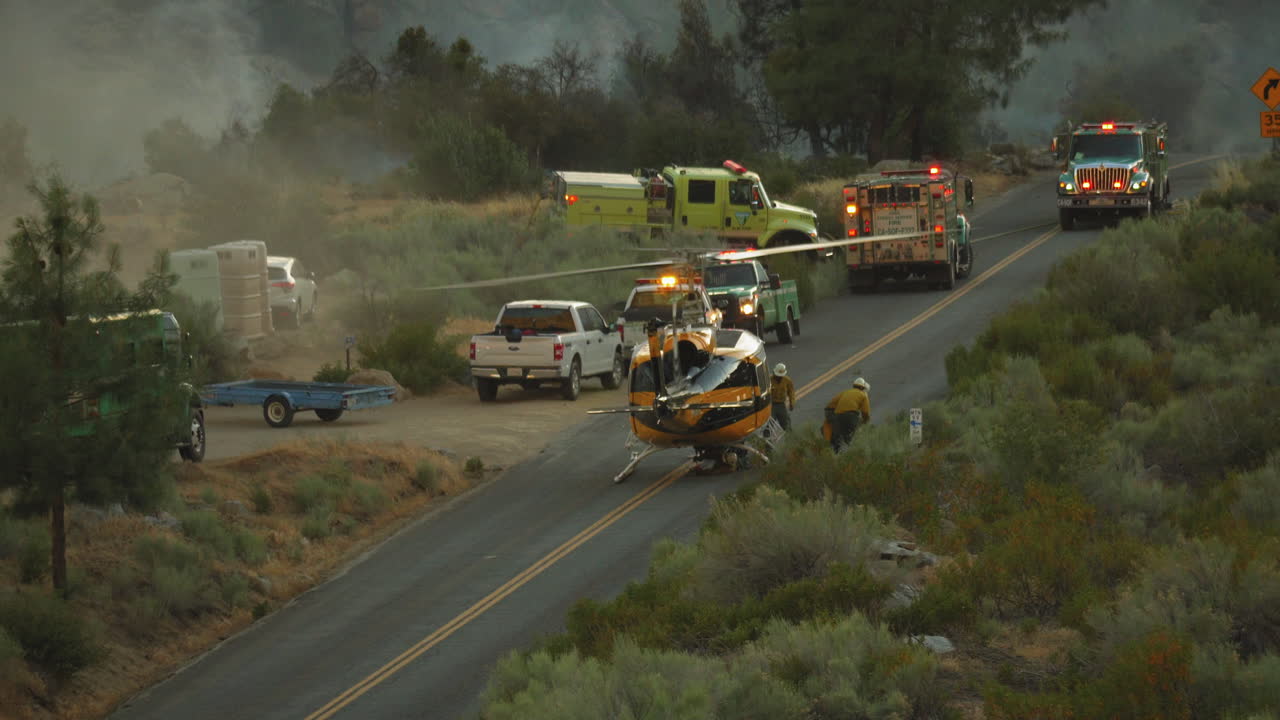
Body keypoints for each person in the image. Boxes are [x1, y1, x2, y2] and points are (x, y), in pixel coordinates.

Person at [824, 376, 871, 452]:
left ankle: (836, 452)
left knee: (837, 438)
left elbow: (831, 404)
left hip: (838, 416)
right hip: (851, 416)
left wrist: (831, 416)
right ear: (863, 388)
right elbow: (865, 412)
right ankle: (850, 449)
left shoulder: (846, 392)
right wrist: (865, 421)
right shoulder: (863, 395)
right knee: (851, 433)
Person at [769, 362, 795, 430]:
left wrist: (792, 403)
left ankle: (790, 438)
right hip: (771, 405)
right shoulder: (769, 380)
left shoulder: (787, 381)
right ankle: (766, 437)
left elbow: (791, 392)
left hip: (781, 405)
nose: (779, 377)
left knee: (786, 424)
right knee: (769, 424)